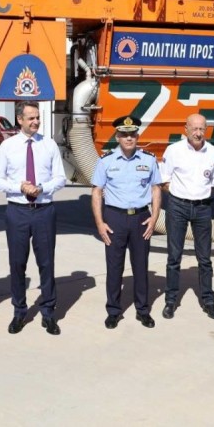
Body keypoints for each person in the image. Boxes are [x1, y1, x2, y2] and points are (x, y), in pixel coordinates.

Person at [0, 101, 66, 335]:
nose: (35, 122)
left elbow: (60, 178)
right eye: (31, 118)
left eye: (37, 117)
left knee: (46, 263)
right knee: (17, 263)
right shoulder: (8, 146)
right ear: (20, 120)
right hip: (18, 211)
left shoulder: (49, 145)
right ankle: (19, 311)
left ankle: (48, 313)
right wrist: (19, 187)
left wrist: (41, 188)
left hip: (44, 210)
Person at [91, 115, 161, 329]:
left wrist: (154, 217)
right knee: (114, 267)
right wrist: (100, 223)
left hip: (141, 218)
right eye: (124, 134)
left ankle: (143, 310)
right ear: (117, 137)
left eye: (132, 134)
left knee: (141, 266)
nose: (129, 138)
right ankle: (113, 311)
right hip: (115, 218)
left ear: (137, 136)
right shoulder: (106, 161)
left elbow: (156, 188)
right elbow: (96, 192)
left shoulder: (149, 159)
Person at [159, 113, 214, 320]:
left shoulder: (212, 152)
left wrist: (198, 197)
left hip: (203, 208)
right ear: (185, 129)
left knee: (205, 258)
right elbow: (164, 180)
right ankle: (170, 301)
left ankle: (208, 301)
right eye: (194, 128)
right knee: (174, 257)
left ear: (206, 130)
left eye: (202, 129)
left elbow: (212, 182)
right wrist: (180, 196)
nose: (198, 133)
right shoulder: (173, 150)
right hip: (178, 206)